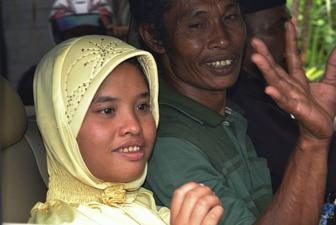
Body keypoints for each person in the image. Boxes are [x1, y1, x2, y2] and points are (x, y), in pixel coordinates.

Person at [130, 0, 336, 224]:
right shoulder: (169, 144)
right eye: (197, 25)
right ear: (154, 37)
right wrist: (312, 142)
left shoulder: (231, 112)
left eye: (230, 17)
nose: (223, 39)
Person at [28, 35, 223, 224]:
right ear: (62, 129)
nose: (134, 126)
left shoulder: (142, 206)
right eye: (107, 110)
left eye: (142, 107)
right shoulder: (62, 221)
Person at [229, 0, 336, 193]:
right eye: (279, 26)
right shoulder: (243, 103)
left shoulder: (260, 93)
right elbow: (333, 168)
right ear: (239, 38)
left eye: (289, 24)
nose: (291, 35)